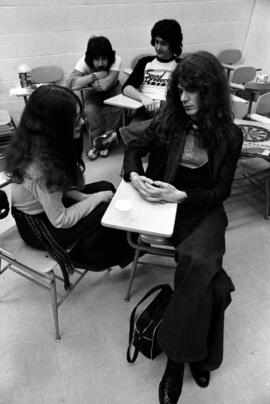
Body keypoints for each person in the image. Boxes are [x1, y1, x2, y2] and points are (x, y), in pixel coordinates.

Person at [123, 51, 243, 403]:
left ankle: (175, 361)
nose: (185, 98)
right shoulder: (168, 121)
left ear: (211, 93)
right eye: (181, 90)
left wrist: (184, 195)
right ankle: (201, 356)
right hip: (165, 211)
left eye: (194, 91)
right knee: (212, 282)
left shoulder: (229, 136)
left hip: (201, 208)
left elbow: (221, 191)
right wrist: (135, 176)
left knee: (198, 261)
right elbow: (131, 145)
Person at [4, 85, 133, 275]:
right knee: (106, 208)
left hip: (48, 206)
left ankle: (116, 249)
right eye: (75, 119)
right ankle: (83, 257)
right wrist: (94, 199)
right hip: (38, 228)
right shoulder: (39, 167)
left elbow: (64, 188)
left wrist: (83, 196)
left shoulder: (45, 142)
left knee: (106, 188)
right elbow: (60, 219)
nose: (82, 122)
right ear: (53, 125)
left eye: (80, 116)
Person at [120, 19, 183, 145]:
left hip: (168, 111)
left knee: (160, 125)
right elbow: (126, 88)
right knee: (134, 141)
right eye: (156, 42)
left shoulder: (181, 66)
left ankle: (118, 135)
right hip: (145, 110)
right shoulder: (145, 62)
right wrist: (143, 98)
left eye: (163, 43)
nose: (158, 47)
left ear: (173, 44)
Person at [66, 36, 122, 160]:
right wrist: (95, 76)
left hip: (113, 89)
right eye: (97, 59)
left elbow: (106, 85)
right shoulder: (83, 62)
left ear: (110, 57)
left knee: (115, 109)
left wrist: (85, 81)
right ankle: (96, 145)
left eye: (104, 59)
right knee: (91, 110)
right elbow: (70, 84)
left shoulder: (117, 59)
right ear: (91, 58)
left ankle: (106, 143)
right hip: (93, 91)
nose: (101, 63)